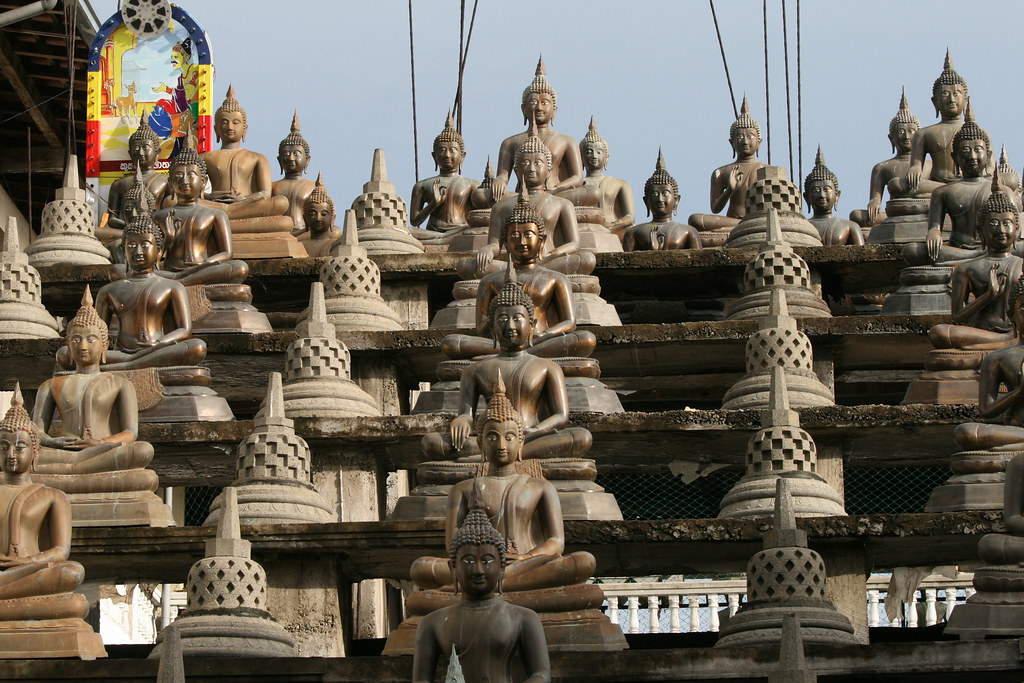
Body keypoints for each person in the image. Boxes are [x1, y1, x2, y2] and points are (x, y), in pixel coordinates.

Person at [412, 375, 596, 593]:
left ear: (521, 442)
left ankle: (496, 583)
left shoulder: (541, 487)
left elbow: (556, 542)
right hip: (478, 567)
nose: (501, 445)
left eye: (509, 438)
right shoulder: (462, 489)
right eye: (492, 437)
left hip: (527, 563)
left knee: (583, 561)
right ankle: (501, 582)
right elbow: (453, 545)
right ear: (480, 443)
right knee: (421, 568)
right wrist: (483, 560)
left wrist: (526, 557)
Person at [422, 273, 592, 462]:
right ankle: (496, 453)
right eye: (502, 319)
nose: (510, 325)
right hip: (490, 440)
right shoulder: (474, 370)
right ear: (491, 327)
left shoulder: (548, 367)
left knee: (581, 437)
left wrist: (534, 431)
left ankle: (492, 457)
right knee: (432, 443)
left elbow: (561, 416)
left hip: (530, 437)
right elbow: (466, 413)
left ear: (532, 325)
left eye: (517, 318)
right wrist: (462, 419)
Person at [442, 192, 596, 360]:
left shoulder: (556, 278)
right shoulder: (490, 281)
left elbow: (570, 323)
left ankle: (509, 355)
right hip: (502, 343)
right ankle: (518, 353)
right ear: (505, 243)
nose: (521, 242)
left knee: (586, 339)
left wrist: (543, 335)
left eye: (528, 235)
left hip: (539, 340)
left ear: (541, 241)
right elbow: (481, 328)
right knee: (451, 343)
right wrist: (497, 315)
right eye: (515, 236)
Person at [412, 500, 551, 683]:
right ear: (453, 568)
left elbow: (541, 675)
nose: (478, 570)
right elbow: (421, 680)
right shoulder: (432, 623)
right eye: (468, 561)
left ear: (502, 568)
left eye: (487, 561)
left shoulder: (523, 618)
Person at [35, 288, 156, 489]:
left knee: (143, 450)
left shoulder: (121, 384)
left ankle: (69, 473)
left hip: (101, 451)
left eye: (91, 340)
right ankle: (77, 470)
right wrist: (53, 442)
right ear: (68, 347)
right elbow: (36, 433)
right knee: (20, 454)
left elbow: (130, 432)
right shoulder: (50, 385)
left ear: (104, 346)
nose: (83, 346)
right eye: (76, 340)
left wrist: (100, 443)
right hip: (63, 452)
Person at [0, 386, 85, 601]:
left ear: (35, 452)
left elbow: (60, 550)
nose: (11, 454)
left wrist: (29, 561)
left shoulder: (53, 497)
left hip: (29, 571)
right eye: (3, 447)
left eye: (20, 447)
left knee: (72, 572)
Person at [92, 217, 207, 371]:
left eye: (145, 245)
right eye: (131, 245)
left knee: (197, 347)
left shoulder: (173, 287)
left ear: (159, 251)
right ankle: (133, 362)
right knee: (66, 354)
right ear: (123, 251)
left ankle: (129, 365)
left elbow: (184, 331)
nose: (138, 251)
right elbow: (97, 334)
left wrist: (158, 345)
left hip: (157, 350)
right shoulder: (108, 290)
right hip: (121, 353)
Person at [153, 142, 249, 285]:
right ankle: (182, 279)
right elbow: (151, 260)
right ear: (171, 183)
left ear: (203, 182)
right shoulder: (159, 216)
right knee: (127, 270)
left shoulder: (216, 215)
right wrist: (168, 240)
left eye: (191, 175)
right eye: (179, 175)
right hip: (169, 270)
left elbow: (227, 253)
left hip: (202, 269)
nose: (185, 180)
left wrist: (204, 264)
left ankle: (181, 280)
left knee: (240, 267)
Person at [493, 57, 583, 201]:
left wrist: (556, 189)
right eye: (533, 102)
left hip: (555, 194)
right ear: (523, 109)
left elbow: (577, 178)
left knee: (592, 192)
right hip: (521, 197)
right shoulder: (510, 142)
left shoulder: (567, 141)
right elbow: (503, 176)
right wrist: (500, 181)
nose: (539, 107)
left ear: (554, 110)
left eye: (545, 103)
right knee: (481, 195)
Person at [687, 96, 768, 238]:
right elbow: (715, 208)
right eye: (740, 136)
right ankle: (742, 228)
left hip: (757, 221)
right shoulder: (721, 172)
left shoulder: (767, 170)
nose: (745, 141)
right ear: (732, 142)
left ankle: (743, 228)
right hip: (732, 221)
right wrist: (730, 189)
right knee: (695, 219)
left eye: (750, 136)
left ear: (759, 142)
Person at [850, 90, 932, 228]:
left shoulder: (930, 164)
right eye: (901, 132)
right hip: (895, 212)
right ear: (891, 138)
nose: (906, 136)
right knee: (856, 215)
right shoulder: (882, 168)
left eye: (911, 131)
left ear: (919, 137)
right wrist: (874, 202)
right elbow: (875, 199)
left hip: (923, 209)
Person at [558, 117, 635, 234]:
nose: (594, 156)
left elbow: (630, 217)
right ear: (580, 158)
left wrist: (612, 225)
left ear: (606, 157)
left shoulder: (620, 184)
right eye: (589, 152)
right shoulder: (574, 185)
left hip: (612, 228)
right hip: (582, 229)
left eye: (599, 152)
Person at [409, 111, 479, 233]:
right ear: (434, 156)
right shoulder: (421, 186)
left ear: (462, 156)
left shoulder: (473, 185)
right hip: (432, 233)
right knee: (410, 233)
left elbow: (482, 216)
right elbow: (414, 221)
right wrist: (433, 203)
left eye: (452, 150)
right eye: (442, 150)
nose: (447, 155)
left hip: (460, 233)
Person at [623, 149, 703, 251]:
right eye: (654, 194)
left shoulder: (688, 232)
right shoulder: (633, 233)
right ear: (646, 201)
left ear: (676, 200)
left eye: (665, 193)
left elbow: (698, 260)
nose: (660, 199)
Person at [803, 147, 864, 246]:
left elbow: (862, 253)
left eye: (826, 189)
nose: (822, 195)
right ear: (806, 197)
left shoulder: (850, 227)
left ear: (837, 195)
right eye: (816, 190)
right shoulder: (802, 227)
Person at [271, 112, 316, 232]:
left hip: (304, 233)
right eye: (286, 153)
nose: (291, 158)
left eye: (296, 154)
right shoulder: (271, 187)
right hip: (278, 233)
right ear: (279, 160)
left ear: (307, 160)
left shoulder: (314, 187)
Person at [296, 174, 342, 256]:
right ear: (305, 218)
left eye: (324, 214)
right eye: (313, 214)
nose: (318, 218)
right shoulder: (298, 246)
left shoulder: (335, 245)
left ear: (332, 219)